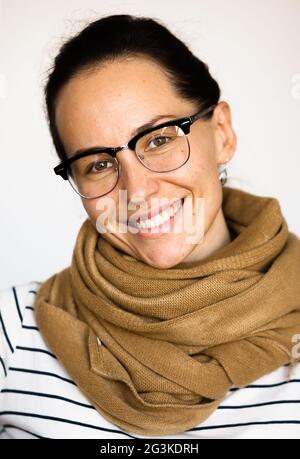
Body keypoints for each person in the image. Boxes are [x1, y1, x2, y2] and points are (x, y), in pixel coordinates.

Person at [1, 14, 299, 440]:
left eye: (159, 138)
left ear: (223, 134)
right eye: (99, 164)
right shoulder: (14, 332)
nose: (136, 191)